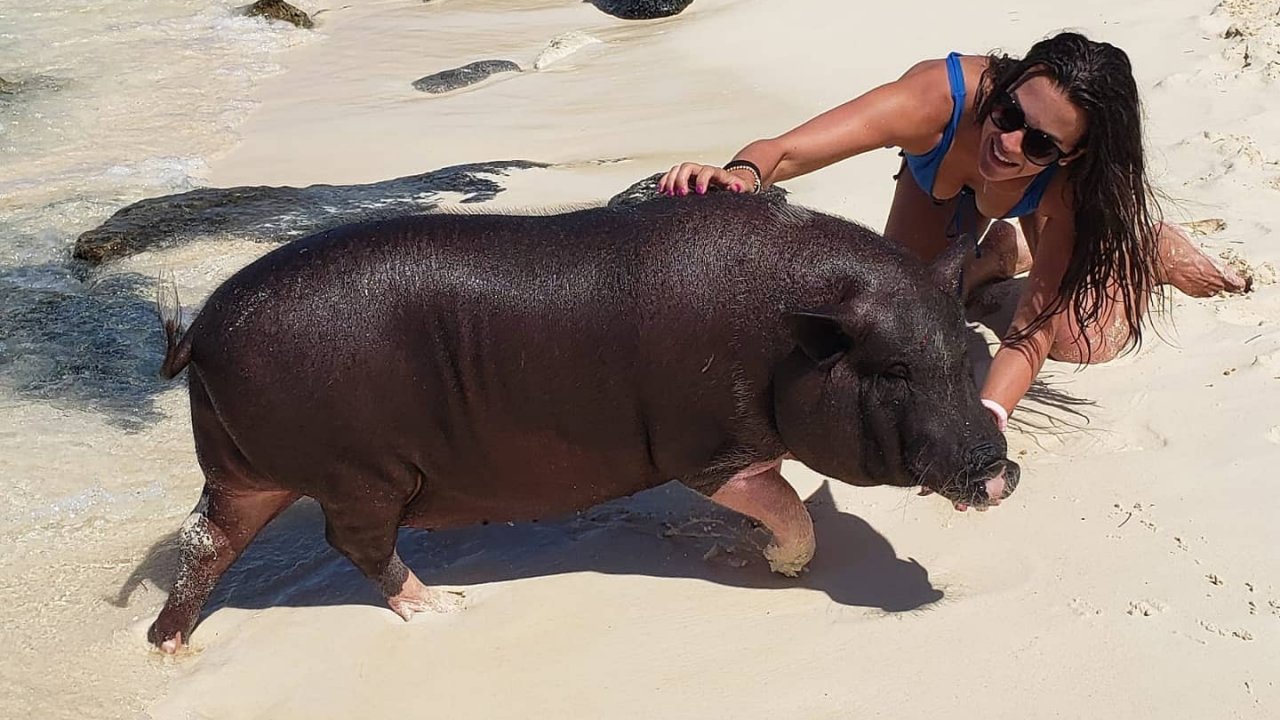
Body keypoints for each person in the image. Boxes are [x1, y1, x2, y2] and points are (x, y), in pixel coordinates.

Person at [658, 31, 1250, 431]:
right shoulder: (937, 101)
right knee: (898, 313)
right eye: (1012, 114)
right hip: (939, 185)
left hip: (1042, 205)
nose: (1010, 141)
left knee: (1084, 343)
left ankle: (1145, 248)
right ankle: (997, 250)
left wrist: (989, 413)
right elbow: (786, 152)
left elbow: (1031, 332)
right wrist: (738, 174)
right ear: (1008, 86)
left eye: (1040, 142)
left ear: (1071, 155)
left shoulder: (1071, 187)